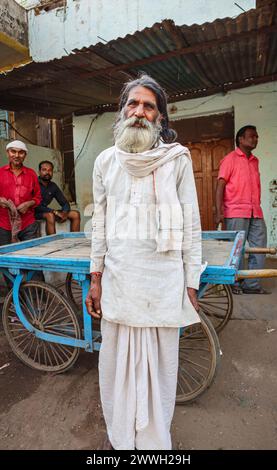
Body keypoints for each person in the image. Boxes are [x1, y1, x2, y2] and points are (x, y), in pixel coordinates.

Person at [85, 74, 202, 450]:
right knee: (116, 367)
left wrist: (192, 282)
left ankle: (153, 444)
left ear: (160, 119)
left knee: (160, 370)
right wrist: (96, 276)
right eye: (132, 104)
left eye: (148, 106)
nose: (139, 111)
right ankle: (122, 440)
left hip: (163, 280)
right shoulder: (105, 161)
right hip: (120, 279)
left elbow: (191, 223)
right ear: (121, 113)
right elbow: (99, 224)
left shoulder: (176, 159)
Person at [215, 125, 269, 295]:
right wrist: (219, 212)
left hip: (255, 211)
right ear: (241, 139)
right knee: (236, 251)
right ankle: (235, 284)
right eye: (252, 136)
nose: (255, 139)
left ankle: (252, 285)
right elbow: (220, 186)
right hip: (235, 211)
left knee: (260, 248)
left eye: (257, 136)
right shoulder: (229, 159)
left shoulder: (255, 161)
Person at [0, 140, 41, 245]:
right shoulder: (0, 172)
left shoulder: (31, 174)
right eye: (13, 151)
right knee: (5, 256)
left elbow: (38, 197)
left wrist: (29, 203)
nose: (17, 155)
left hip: (27, 224)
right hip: (4, 224)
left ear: (25, 155)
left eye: (21, 152)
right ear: (7, 153)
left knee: (30, 254)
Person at [35, 160, 80, 235]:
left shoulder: (53, 186)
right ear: (39, 172)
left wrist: (64, 213)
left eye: (50, 170)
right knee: (50, 215)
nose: (47, 172)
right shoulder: (34, 183)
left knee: (75, 214)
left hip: (48, 211)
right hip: (34, 213)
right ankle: (53, 244)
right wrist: (55, 212)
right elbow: (36, 206)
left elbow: (65, 203)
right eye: (44, 170)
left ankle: (74, 240)